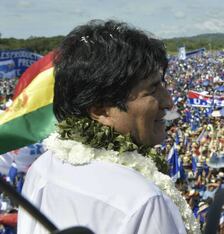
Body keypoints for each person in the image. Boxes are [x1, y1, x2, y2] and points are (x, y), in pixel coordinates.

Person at [17, 20, 199, 234]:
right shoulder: (145, 201)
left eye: (162, 85)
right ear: (101, 110)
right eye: (151, 90)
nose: (169, 102)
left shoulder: (42, 167)